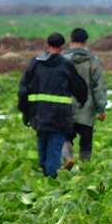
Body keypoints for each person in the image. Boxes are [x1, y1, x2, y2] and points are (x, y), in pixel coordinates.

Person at [18, 33, 88, 178]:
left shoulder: (34, 63)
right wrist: (82, 100)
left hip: (39, 114)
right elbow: (80, 87)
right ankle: (52, 180)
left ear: (46, 45)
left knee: (42, 145)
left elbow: (23, 89)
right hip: (59, 116)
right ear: (62, 48)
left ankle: (47, 176)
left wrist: (25, 111)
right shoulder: (66, 65)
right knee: (54, 150)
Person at [61, 27, 108, 167]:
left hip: (65, 107)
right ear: (86, 41)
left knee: (65, 137)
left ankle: (68, 157)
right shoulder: (93, 61)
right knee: (86, 142)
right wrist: (101, 108)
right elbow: (98, 86)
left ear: (70, 40)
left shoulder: (60, 60)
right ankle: (85, 169)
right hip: (86, 109)